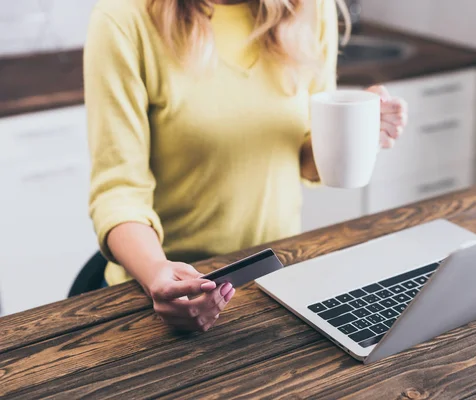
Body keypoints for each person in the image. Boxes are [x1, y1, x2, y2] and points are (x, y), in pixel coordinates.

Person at [83, 0, 407, 332]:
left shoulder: (309, 8)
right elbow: (118, 192)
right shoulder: (122, 20)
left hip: (277, 282)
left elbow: (304, 158)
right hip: (174, 292)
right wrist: (157, 272)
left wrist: (352, 130)